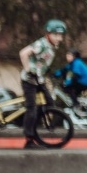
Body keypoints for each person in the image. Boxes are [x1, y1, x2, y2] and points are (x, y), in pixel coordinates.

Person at [17, 19, 66, 149]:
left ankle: (38, 125)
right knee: (31, 109)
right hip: (29, 80)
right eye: (56, 35)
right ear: (48, 34)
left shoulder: (51, 46)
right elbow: (23, 53)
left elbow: (42, 63)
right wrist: (28, 71)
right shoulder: (41, 44)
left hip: (39, 79)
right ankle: (29, 140)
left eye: (61, 35)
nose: (59, 38)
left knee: (50, 102)